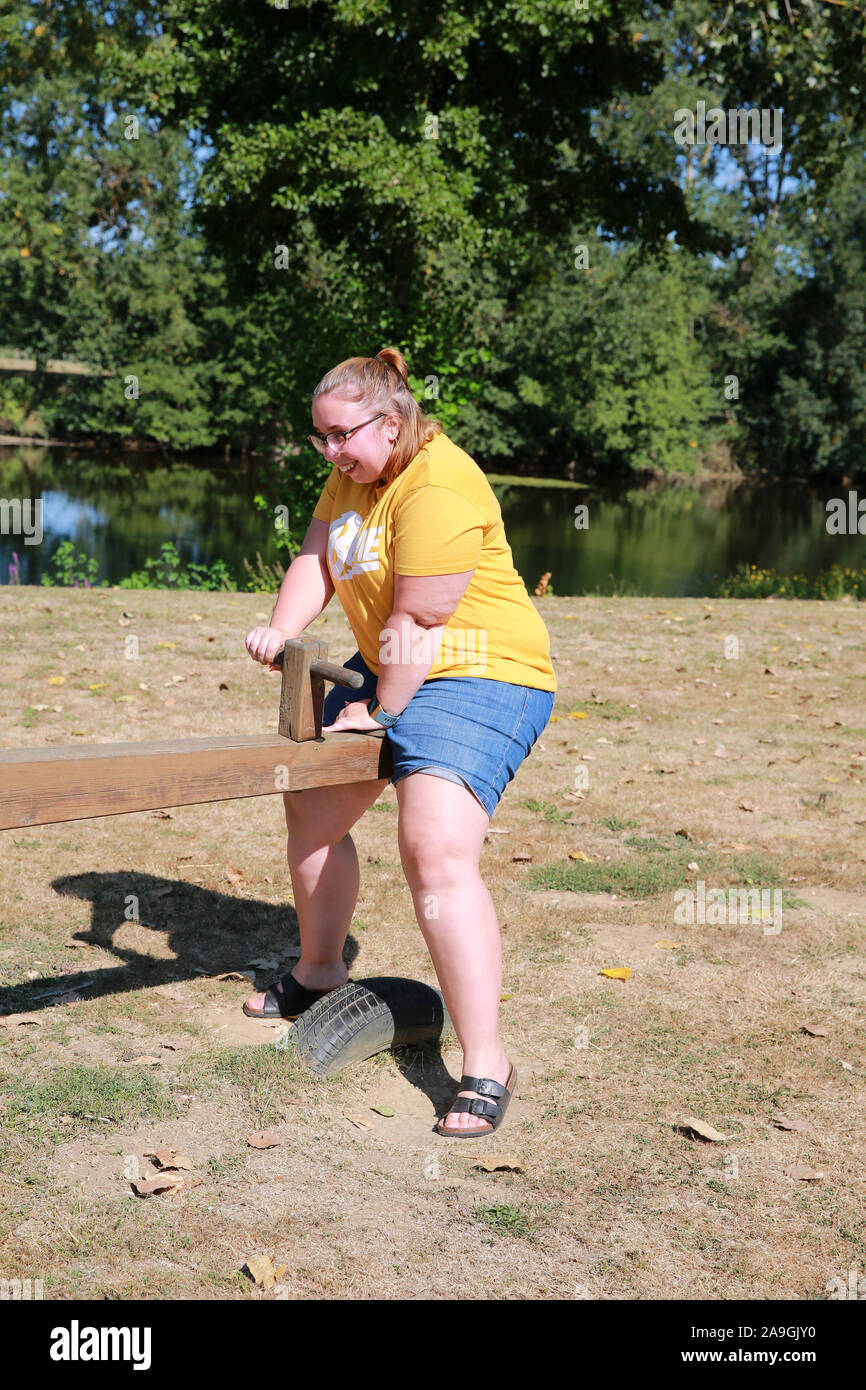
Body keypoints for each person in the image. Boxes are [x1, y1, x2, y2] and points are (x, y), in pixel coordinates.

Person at [243, 348, 556, 1137]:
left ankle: (487, 1062)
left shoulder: (441, 484)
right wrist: (284, 628)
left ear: (392, 421)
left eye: (339, 435)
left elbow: (419, 619)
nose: (330, 453)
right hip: (393, 663)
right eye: (321, 438)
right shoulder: (355, 471)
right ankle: (319, 973)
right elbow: (317, 554)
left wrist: (380, 711)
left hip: (484, 672)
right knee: (314, 810)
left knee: (433, 847)